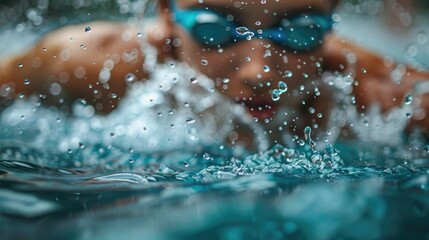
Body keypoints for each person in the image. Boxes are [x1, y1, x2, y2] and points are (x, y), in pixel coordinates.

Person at [0, 0, 428, 147]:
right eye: (214, 29)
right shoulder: (85, 62)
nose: (260, 71)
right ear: (168, 13)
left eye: (301, 31)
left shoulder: (379, 91)